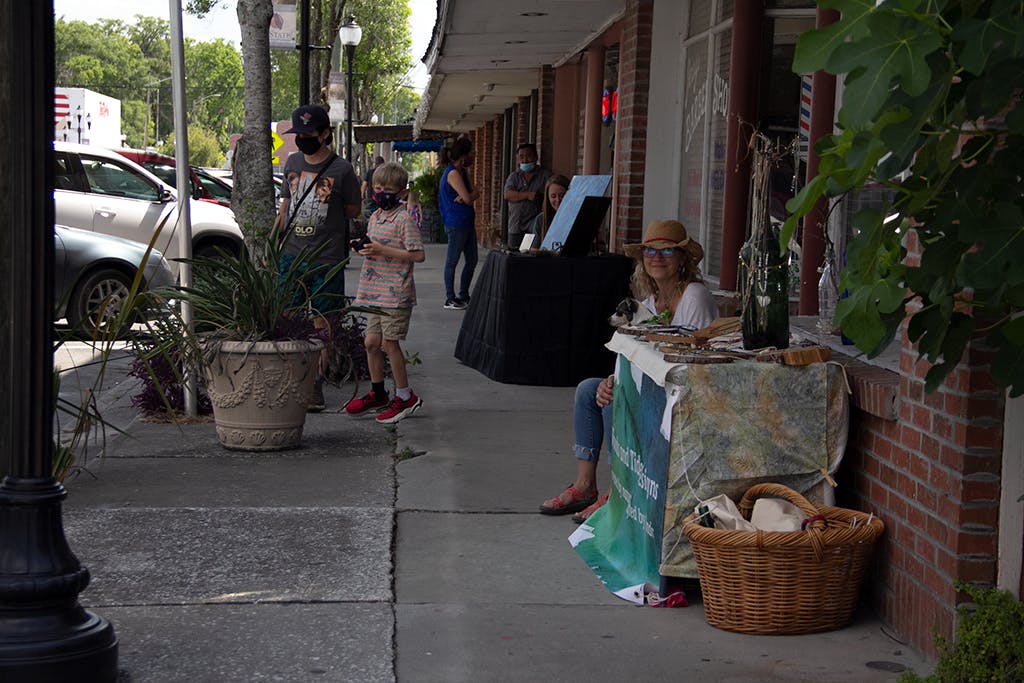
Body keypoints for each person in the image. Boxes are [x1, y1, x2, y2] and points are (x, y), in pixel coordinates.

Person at [539, 219, 717, 522]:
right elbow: (636, 355)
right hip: (652, 386)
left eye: (666, 251)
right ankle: (585, 486)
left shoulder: (694, 296)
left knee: (615, 398)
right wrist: (614, 378)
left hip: (682, 394)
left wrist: (622, 384)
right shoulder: (648, 303)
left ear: (683, 259)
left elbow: (697, 362)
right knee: (590, 390)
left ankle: (620, 491)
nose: (656, 258)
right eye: (649, 250)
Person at [276, 104, 362, 412]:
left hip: (326, 259)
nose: (302, 139)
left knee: (323, 325)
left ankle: (315, 383)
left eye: (309, 134)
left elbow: (354, 209)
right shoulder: (292, 162)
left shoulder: (343, 170)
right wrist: (275, 244)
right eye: (298, 134)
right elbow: (285, 206)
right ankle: (291, 378)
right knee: (288, 318)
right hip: (291, 256)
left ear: (325, 134)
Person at [344, 161, 426, 424]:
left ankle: (405, 397)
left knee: (390, 344)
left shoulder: (405, 219)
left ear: (401, 193)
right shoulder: (376, 216)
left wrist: (381, 250)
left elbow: (418, 255)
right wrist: (362, 247)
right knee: (371, 343)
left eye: (387, 189)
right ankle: (378, 393)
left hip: (396, 292)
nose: (380, 193)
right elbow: (374, 245)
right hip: (373, 291)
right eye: (377, 187)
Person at [438, 136, 479, 310]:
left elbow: (475, 192)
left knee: (472, 260)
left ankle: (464, 294)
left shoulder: (462, 172)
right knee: (452, 261)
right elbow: (470, 197)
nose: (473, 156)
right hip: (456, 223)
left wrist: (469, 196)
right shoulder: (453, 173)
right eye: (470, 153)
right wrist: (469, 196)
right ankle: (450, 297)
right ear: (463, 155)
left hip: (467, 221)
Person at [503, 143, 551, 250]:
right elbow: (507, 194)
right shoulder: (514, 177)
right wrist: (528, 195)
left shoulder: (545, 175)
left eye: (528, 156)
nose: (525, 160)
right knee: (514, 258)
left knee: (530, 258)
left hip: (534, 226)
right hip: (516, 225)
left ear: (536, 157)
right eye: (521, 157)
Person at [525, 174, 570, 245]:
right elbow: (535, 248)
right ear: (548, 198)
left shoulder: (577, 218)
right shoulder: (540, 219)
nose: (558, 200)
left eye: (562, 196)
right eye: (553, 196)